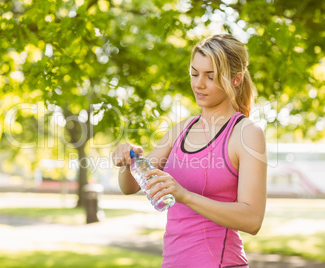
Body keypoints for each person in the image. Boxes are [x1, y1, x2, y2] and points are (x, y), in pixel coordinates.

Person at [112, 33, 267, 268]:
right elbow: (130, 187)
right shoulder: (182, 129)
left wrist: (184, 195)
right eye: (194, 74)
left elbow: (253, 220)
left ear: (235, 80)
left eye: (210, 76)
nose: (198, 84)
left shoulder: (246, 134)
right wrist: (128, 161)